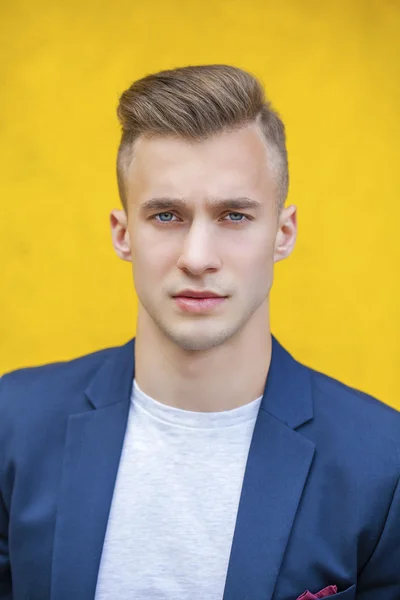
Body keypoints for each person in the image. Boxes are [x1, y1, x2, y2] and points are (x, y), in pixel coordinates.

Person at [0, 65, 399, 600]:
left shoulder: (382, 462)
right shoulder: (14, 425)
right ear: (123, 234)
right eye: (166, 216)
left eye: (234, 216)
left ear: (283, 234)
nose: (198, 258)